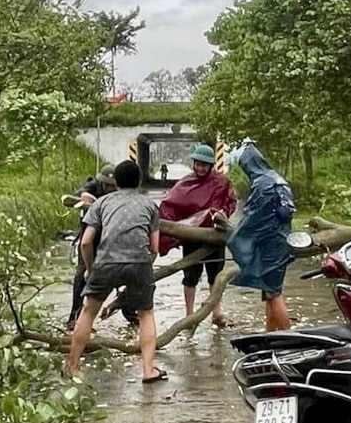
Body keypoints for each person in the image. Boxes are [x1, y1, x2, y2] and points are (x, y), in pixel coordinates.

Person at [66, 160, 167, 382]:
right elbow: (155, 248)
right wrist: (143, 264)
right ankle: (149, 370)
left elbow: (86, 242)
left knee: (88, 313)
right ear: (139, 181)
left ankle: (72, 366)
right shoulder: (149, 205)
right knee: (146, 314)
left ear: (115, 182)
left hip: (106, 263)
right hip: (139, 262)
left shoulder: (101, 204)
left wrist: (91, 269)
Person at [158, 143, 237, 327]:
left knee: (215, 274)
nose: (200, 168)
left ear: (211, 165)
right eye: (198, 164)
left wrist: (223, 214)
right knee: (190, 276)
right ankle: (189, 314)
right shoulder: (185, 183)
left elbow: (230, 202)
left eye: (204, 165)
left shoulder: (221, 182)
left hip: (215, 235)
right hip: (192, 237)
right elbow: (170, 205)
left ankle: (216, 312)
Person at [224, 140, 295, 331]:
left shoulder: (263, 183)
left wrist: (237, 238)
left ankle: (288, 336)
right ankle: (271, 335)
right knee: (269, 292)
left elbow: (254, 217)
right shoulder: (277, 178)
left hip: (271, 244)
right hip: (281, 238)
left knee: (274, 294)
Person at [62, 164, 117, 330]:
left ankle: (130, 313)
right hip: (90, 234)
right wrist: (89, 199)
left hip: (111, 235)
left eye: (114, 186)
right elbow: (83, 194)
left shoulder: (120, 191)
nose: (111, 189)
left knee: (121, 272)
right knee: (82, 273)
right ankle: (75, 317)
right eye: (109, 186)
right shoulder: (93, 185)